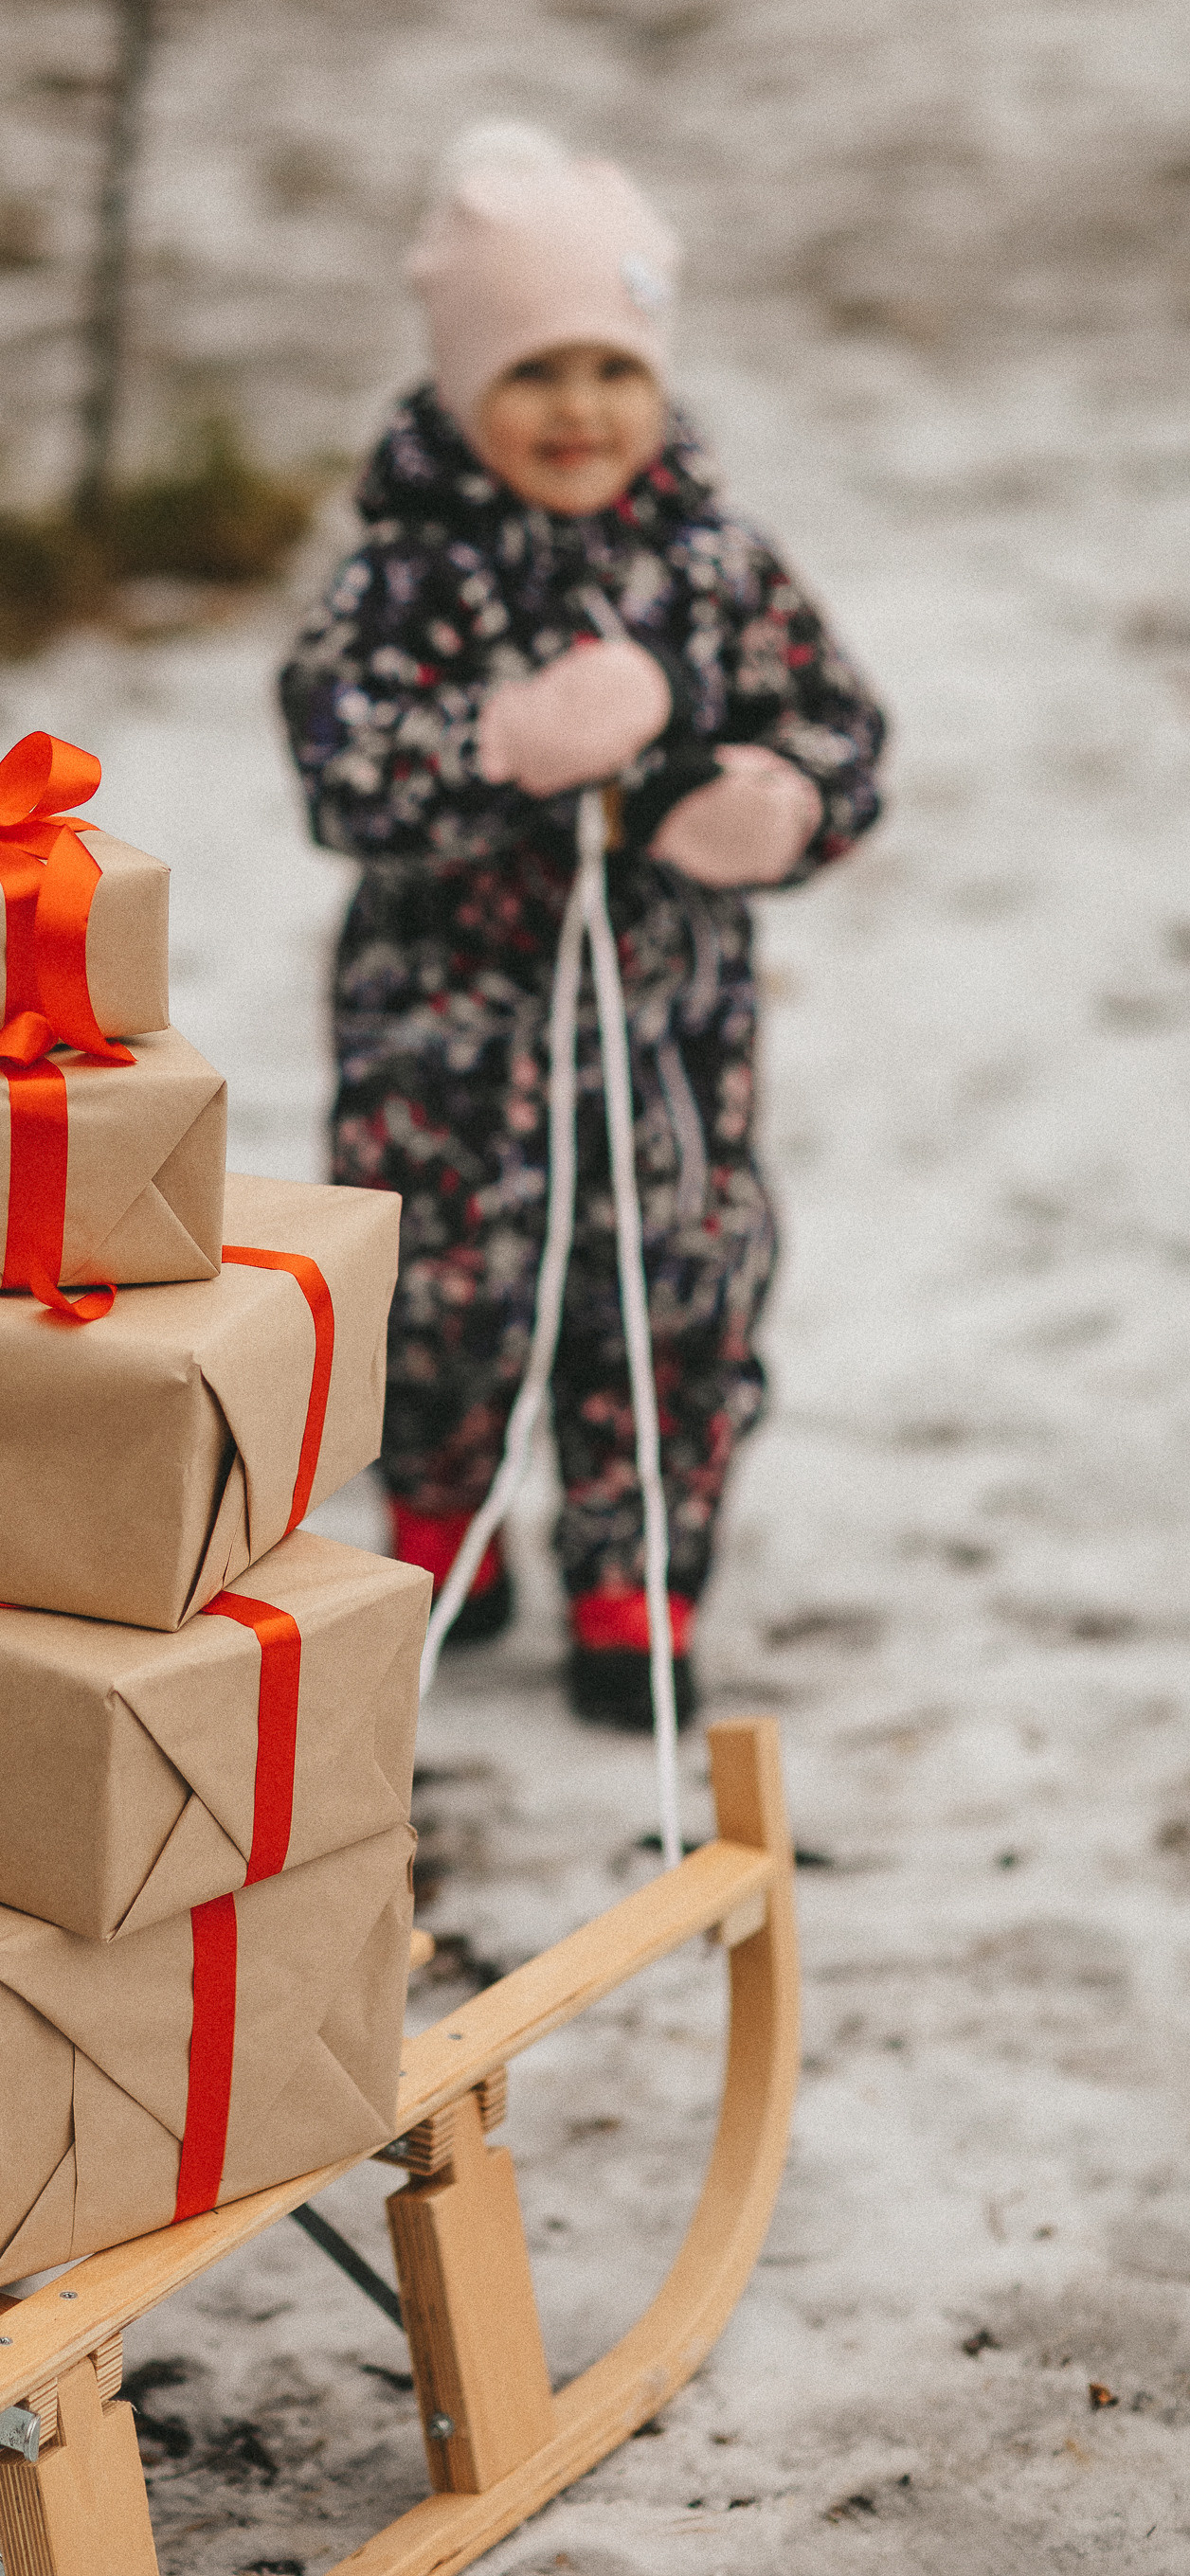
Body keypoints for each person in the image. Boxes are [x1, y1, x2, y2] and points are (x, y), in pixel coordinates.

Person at [278, 122, 885, 1729]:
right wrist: (502, 743)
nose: (578, 410)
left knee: (675, 1291)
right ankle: (442, 1529)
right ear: (467, 384)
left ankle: (640, 1576)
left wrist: (778, 804)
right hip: (444, 1043)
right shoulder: (407, 579)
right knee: (437, 1293)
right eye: (534, 369)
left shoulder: (719, 569)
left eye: (613, 368)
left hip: (671, 1047)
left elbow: (842, 734)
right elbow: (340, 769)